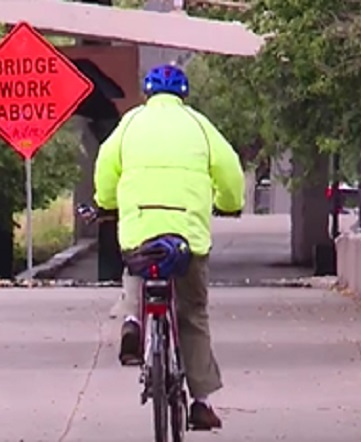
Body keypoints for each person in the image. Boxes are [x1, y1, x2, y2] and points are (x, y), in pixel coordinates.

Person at [92, 64, 245, 430]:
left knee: (134, 263)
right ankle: (202, 402)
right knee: (192, 314)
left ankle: (132, 321)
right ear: (183, 95)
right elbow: (230, 171)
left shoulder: (129, 124)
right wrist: (229, 202)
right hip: (187, 234)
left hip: (140, 227)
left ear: (147, 94)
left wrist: (106, 202)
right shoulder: (199, 125)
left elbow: (105, 167)